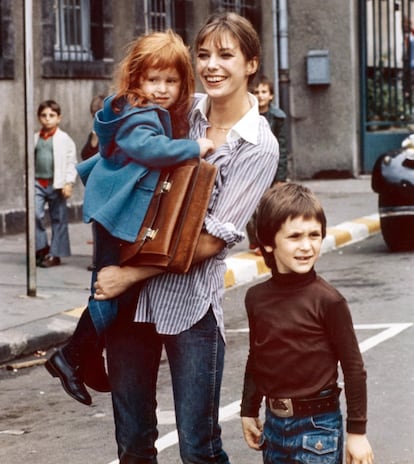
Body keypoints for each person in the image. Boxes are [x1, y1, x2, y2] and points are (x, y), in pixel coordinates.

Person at [93, 12, 279, 463]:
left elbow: (213, 241)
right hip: (132, 308)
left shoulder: (258, 145)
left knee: (199, 449)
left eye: (226, 55)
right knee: (133, 444)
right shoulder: (179, 107)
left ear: (251, 64)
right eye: (203, 54)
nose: (211, 65)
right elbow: (120, 134)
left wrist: (127, 275)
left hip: (190, 306)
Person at [45, 30, 215, 406]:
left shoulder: (144, 109)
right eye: (153, 79)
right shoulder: (138, 113)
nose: (161, 88)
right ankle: (71, 356)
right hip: (116, 213)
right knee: (111, 289)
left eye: (171, 80)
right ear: (136, 78)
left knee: (118, 288)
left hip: (118, 210)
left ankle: (85, 358)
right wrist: (193, 147)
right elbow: (146, 147)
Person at [240, 183, 374, 464]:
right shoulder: (256, 298)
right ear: (267, 241)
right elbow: (257, 357)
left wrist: (357, 433)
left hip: (318, 428)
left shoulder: (328, 301)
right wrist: (248, 410)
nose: (307, 245)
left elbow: (353, 368)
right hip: (273, 426)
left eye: (314, 235)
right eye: (295, 236)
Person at [246, 75, 288, 253]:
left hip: (271, 167)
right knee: (249, 206)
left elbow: (283, 147)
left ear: (271, 95)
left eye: (264, 92)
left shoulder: (278, 118)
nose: (260, 95)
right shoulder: (246, 115)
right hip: (251, 167)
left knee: (268, 207)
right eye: (256, 92)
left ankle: (266, 241)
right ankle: (255, 241)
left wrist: (280, 177)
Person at [35, 100, 77, 268]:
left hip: (56, 183)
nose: (47, 119)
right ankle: (41, 247)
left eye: (51, 116)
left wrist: (69, 182)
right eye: (44, 115)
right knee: (35, 214)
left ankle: (55, 253)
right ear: (39, 118)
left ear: (59, 118)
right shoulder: (35, 138)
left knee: (58, 218)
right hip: (38, 182)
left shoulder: (64, 139)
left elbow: (71, 161)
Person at [80, 94, 106, 272]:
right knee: (97, 224)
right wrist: (94, 138)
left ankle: (101, 259)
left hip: (107, 183)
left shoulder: (114, 130)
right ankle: (97, 259)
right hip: (97, 186)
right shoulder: (94, 133)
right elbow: (86, 155)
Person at [80, 94, 105, 161]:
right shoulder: (93, 133)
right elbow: (85, 155)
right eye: (93, 113)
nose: (93, 117)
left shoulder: (109, 134)